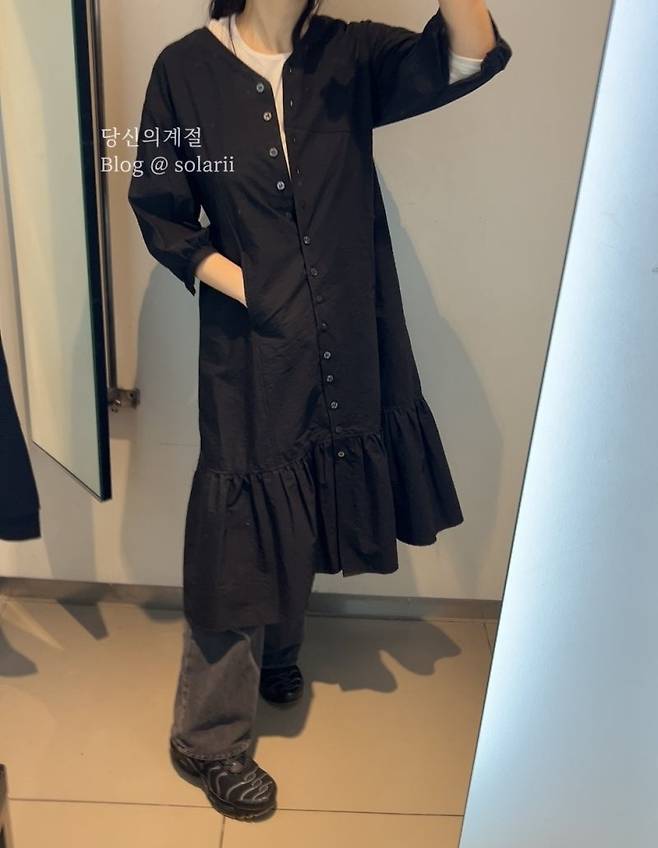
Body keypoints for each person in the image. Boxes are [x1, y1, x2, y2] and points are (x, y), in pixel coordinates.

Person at [128, 0, 512, 822]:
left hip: (348, 331)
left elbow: (467, 56)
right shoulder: (185, 72)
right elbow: (159, 204)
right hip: (251, 346)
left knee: (308, 486)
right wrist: (251, 288)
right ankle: (207, 739)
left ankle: (278, 652)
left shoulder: (350, 55)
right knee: (243, 524)